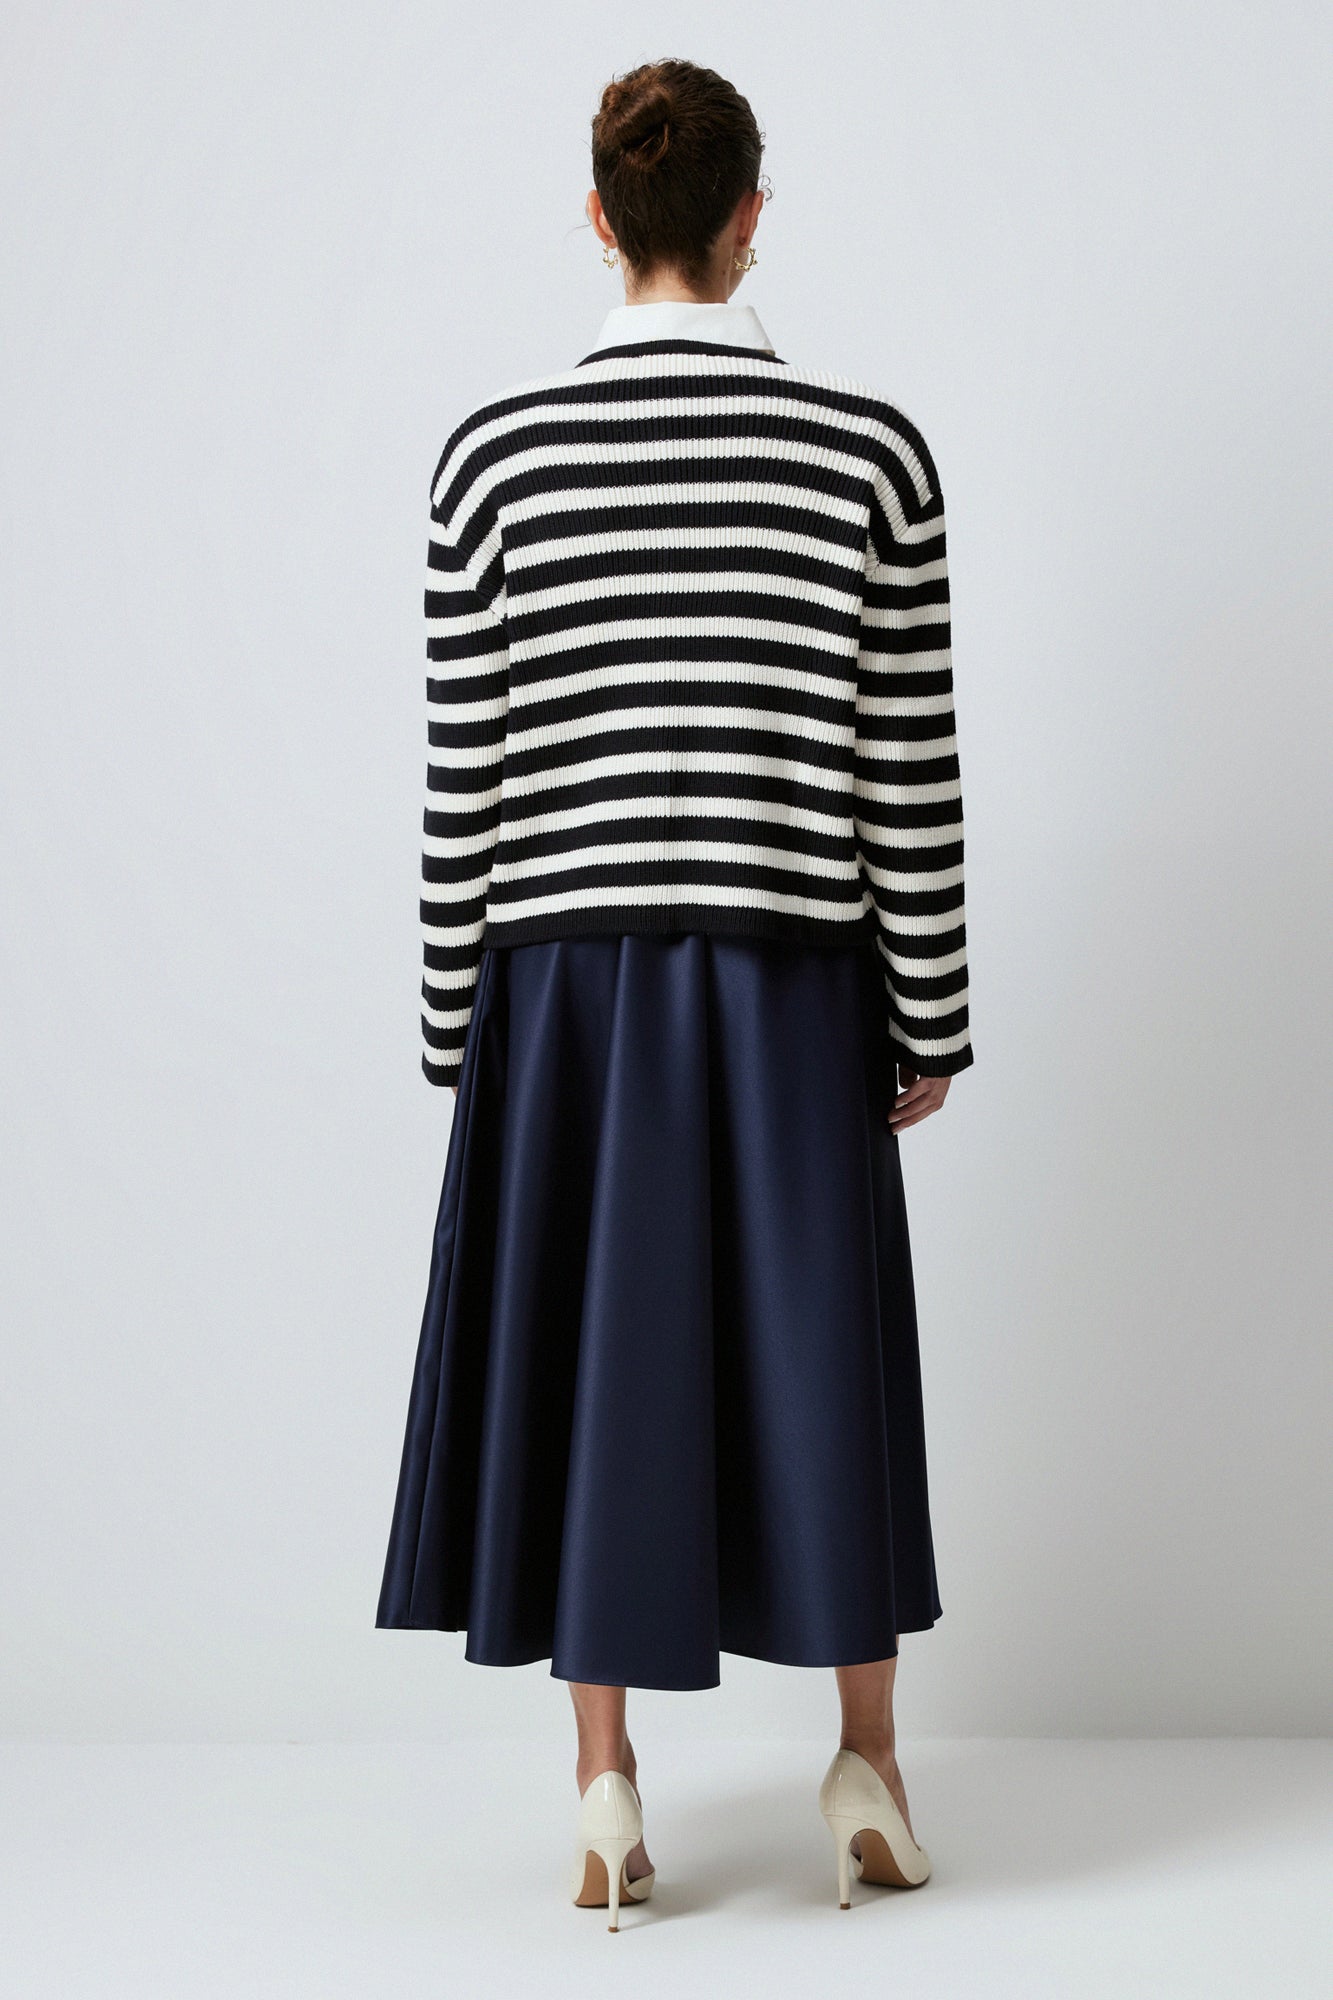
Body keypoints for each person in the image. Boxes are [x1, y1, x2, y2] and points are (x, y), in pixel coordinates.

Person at [375, 56, 974, 1929]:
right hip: (791, 974)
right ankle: (864, 1758)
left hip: (562, 991)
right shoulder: (866, 455)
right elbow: (904, 772)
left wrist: (451, 1023)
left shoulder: (491, 461)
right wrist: (932, 1014)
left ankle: (606, 1787)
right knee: (822, 1353)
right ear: (747, 219)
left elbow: (467, 777)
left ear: (599, 216)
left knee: (595, 1354)